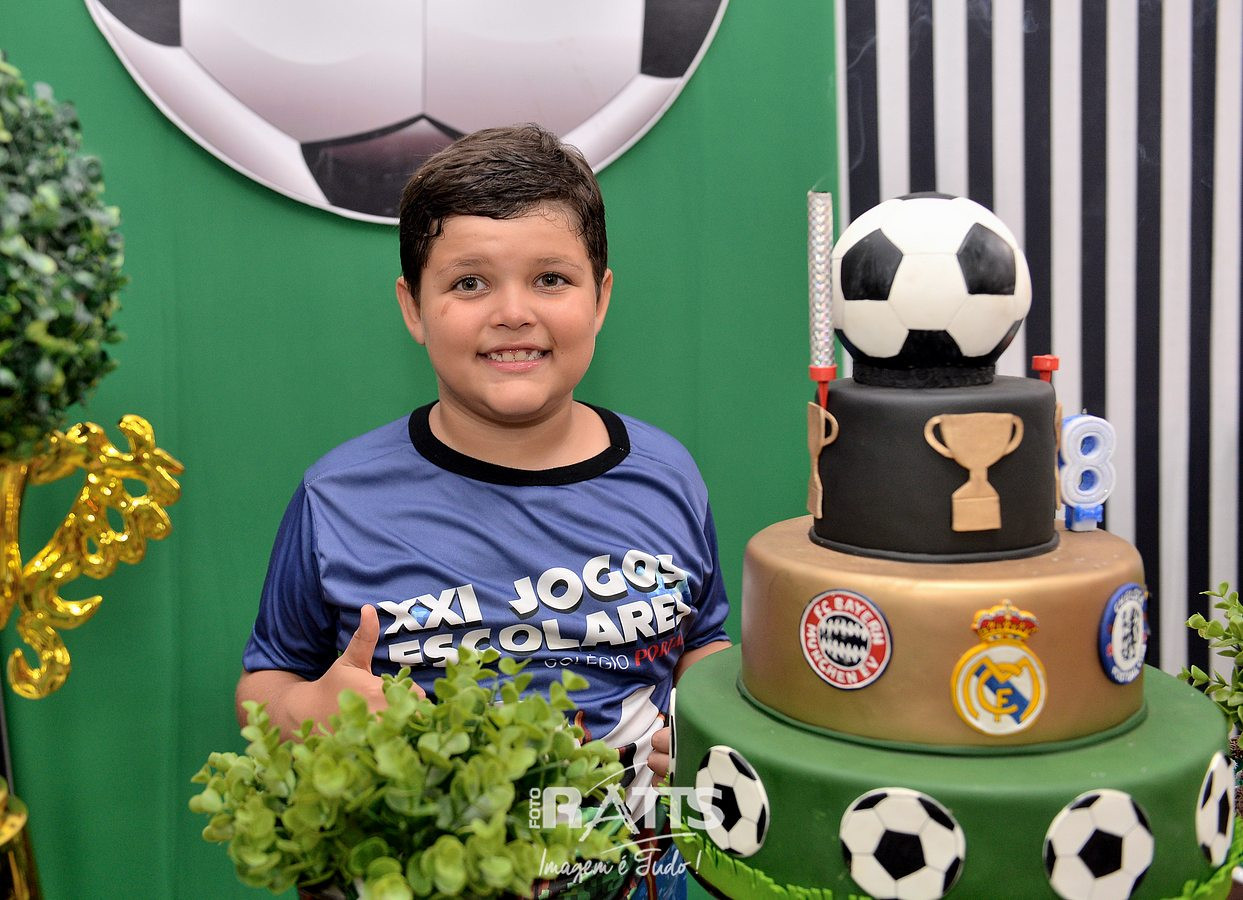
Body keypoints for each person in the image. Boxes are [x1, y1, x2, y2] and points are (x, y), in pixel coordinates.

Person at [236, 124, 731, 897]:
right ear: (413, 307)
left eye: (550, 279)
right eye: (469, 284)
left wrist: (706, 726)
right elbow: (265, 684)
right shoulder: (337, 496)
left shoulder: (666, 476)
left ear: (600, 298)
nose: (512, 312)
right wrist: (309, 710)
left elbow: (703, 642)